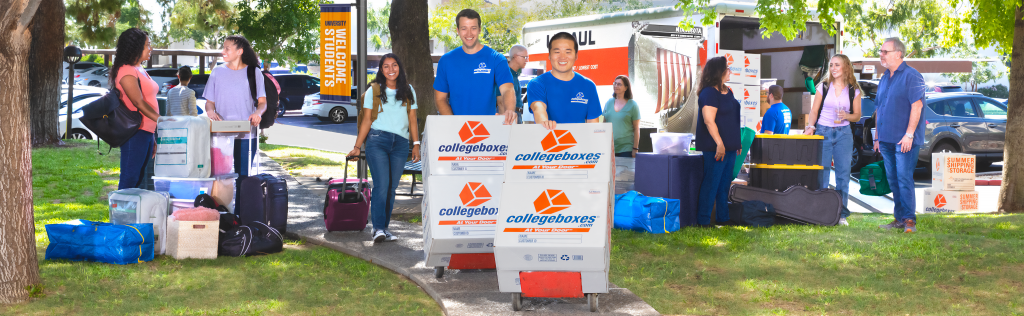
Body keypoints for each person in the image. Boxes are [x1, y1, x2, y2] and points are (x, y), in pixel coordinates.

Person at [347, 53, 421, 243]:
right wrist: (357, 147)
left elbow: (412, 119)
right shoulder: (374, 90)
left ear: (399, 67)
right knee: (381, 186)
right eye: (386, 66)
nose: (391, 69)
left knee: (391, 188)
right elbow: (366, 120)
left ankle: (384, 229)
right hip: (378, 140)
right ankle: (377, 228)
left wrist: (416, 144)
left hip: (401, 144)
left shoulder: (408, 90)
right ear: (381, 70)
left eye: (394, 65)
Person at [202, 35, 268, 207]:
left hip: (246, 135)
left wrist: (258, 113)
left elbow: (262, 103)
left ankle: (240, 217)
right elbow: (209, 102)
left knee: (243, 178)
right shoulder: (217, 72)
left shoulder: (254, 73)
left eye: (227, 48)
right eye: (223, 47)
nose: (223, 51)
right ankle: (222, 213)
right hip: (221, 136)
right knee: (220, 177)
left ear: (239, 51)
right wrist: (210, 111)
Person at [873, 37, 926, 233]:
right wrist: (877, 137)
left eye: (884, 52)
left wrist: (909, 135)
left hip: (905, 140)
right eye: (880, 51)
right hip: (886, 139)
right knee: (893, 179)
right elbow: (879, 108)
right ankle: (899, 218)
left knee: (904, 178)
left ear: (898, 53)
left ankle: (909, 221)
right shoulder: (885, 77)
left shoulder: (913, 76)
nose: (881, 55)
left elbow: (917, 106)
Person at [804, 54, 862, 226]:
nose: (833, 68)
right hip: (823, 131)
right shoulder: (824, 86)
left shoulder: (854, 90)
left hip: (844, 133)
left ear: (846, 67)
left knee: (843, 176)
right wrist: (810, 126)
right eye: (831, 65)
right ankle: (821, 213)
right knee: (822, 173)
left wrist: (847, 115)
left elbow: (858, 116)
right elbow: (814, 110)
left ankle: (841, 215)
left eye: (837, 65)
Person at [433, 9, 517, 124]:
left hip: (487, 129)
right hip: (456, 130)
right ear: (457, 31)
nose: (469, 33)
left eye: (473, 28)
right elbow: (440, 99)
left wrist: (509, 111)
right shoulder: (446, 60)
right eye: (464, 28)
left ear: (479, 30)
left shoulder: (496, 58)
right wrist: (454, 124)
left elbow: (507, 89)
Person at [111, 28, 161, 190]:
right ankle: (119, 215)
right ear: (136, 47)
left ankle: (130, 215)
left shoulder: (139, 69)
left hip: (146, 132)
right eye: (147, 45)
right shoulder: (126, 70)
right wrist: (162, 121)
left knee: (137, 178)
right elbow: (138, 102)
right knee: (129, 178)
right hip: (135, 132)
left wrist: (152, 134)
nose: (150, 48)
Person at [694, 56, 741, 227]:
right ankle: (704, 221)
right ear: (718, 71)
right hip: (715, 147)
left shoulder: (728, 91)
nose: (730, 71)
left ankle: (723, 218)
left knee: (724, 185)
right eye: (727, 69)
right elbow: (709, 120)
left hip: (730, 147)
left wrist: (737, 142)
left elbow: (732, 118)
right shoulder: (708, 93)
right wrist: (720, 143)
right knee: (711, 183)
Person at [527, 32, 602, 129]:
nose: (562, 57)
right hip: (550, 141)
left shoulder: (588, 85)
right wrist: (544, 123)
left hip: (581, 142)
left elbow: (593, 124)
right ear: (549, 55)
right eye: (557, 51)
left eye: (568, 51)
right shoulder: (537, 84)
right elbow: (538, 108)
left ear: (576, 55)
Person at [603, 75, 640, 157]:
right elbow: (604, 125)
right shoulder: (608, 103)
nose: (616, 86)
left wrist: (635, 148)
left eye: (619, 84)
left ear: (626, 88)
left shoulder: (633, 105)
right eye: (615, 83)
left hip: (626, 148)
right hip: (609, 148)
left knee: (625, 170)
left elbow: (636, 129)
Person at [496, 44, 529, 124]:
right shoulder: (505, 75)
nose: (527, 60)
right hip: (509, 117)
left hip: (515, 115)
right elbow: (501, 101)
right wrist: (503, 122)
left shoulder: (514, 74)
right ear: (515, 56)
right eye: (525, 57)